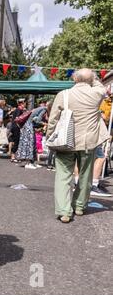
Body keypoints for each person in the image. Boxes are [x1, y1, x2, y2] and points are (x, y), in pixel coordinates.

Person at [47, 69, 110, 223]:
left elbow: (53, 119)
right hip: (88, 142)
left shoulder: (64, 94)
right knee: (85, 175)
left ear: (75, 79)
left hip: (65, 141)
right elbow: (100, 86)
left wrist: (49, 137)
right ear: (92, 79)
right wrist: (92, 78)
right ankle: (80, 206)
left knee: (63, 176)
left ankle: (64, 212)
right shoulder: (97, 93)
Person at [16, 104, 47, 169]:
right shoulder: (44, 109)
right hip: (29, 127)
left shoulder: (39, 108)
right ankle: (28, 163)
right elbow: (37, 120)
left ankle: (33, 162)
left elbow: (34, 118)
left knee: (32, 144)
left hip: (27, 127)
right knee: (29, 144)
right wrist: (44, 123)